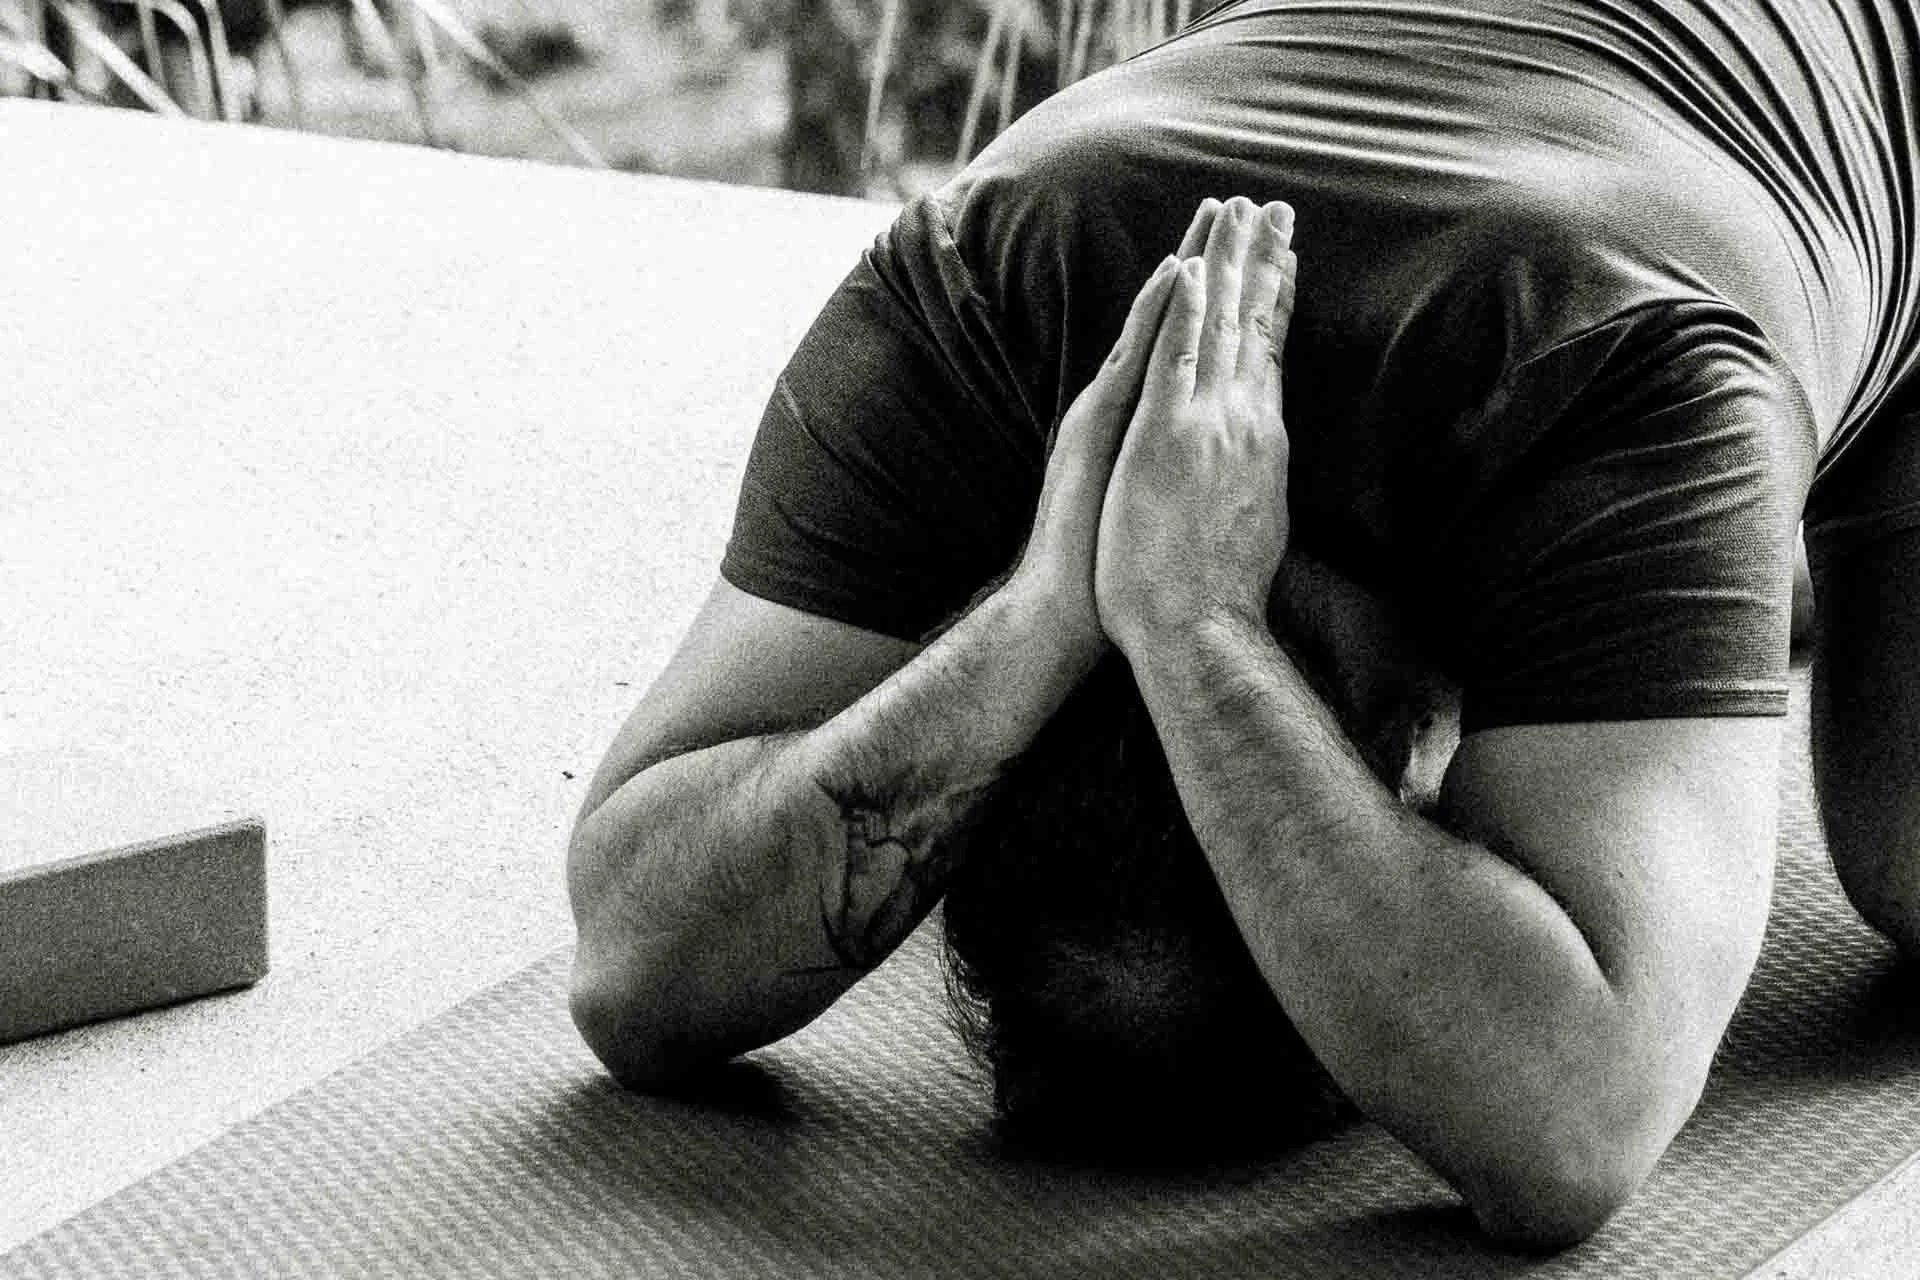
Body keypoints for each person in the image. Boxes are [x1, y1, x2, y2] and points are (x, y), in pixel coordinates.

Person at [565, 0, 1919, 1248]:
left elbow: (1573, 1124)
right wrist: (1042, 615)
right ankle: (1704, 599)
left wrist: (1199, 624)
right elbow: (628, 960)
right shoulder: (980, 290)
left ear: (1415, 761)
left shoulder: (1610, 375)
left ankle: (1744, 550)